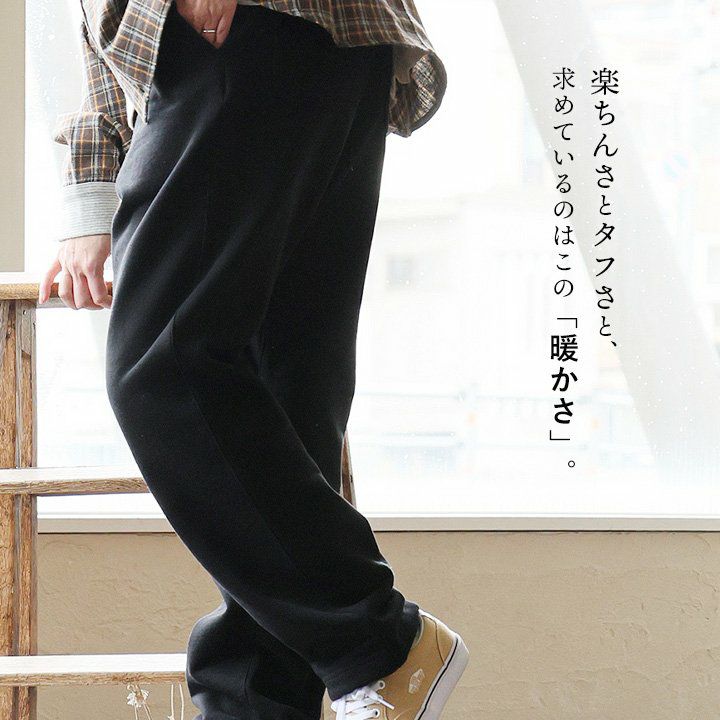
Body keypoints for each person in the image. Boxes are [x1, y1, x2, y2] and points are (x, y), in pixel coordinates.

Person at [40, 1, 468, 718]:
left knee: (163, 367)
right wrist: (92, 177)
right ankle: (264, 700)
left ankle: (381, 642)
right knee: (284, 397)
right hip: (310, 46)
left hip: (243, 31)